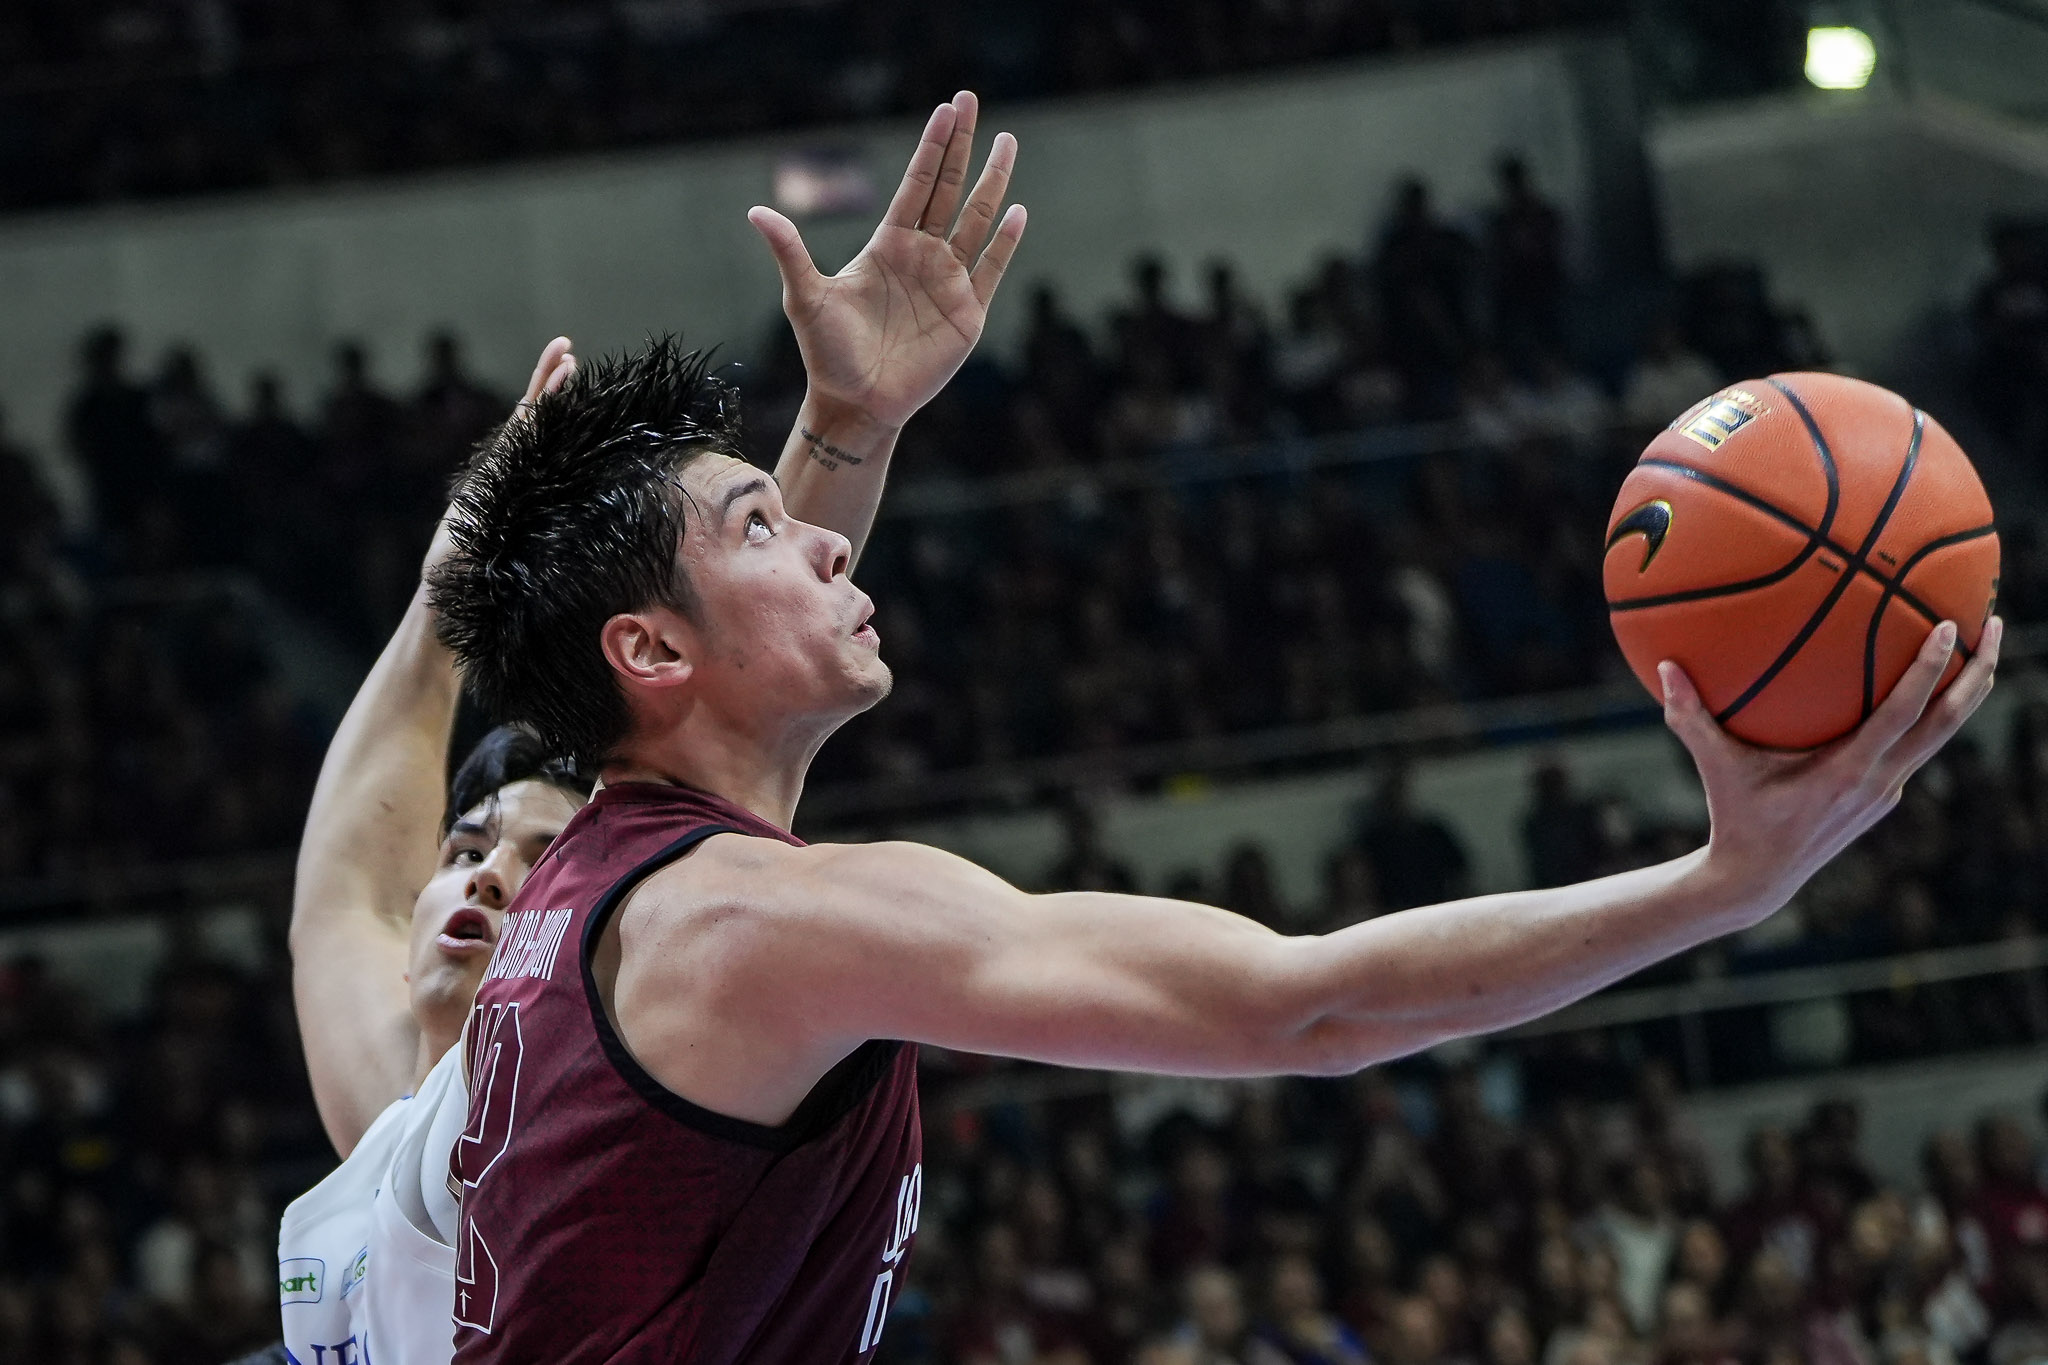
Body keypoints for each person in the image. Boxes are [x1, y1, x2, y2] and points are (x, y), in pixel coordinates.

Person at [426, 145, 2001, 1365]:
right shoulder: (750, 926)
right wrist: (1722, 886)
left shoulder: (595, 872)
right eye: (763, 524)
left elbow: (718, 676)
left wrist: (848, 426)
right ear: (645, 650)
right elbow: (1298, 1006)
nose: (825, 551)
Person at [280, 89, 1027, 1365]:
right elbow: (343, 889)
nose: (484, 875)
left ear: (571, 957)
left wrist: (842, 433)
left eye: (533, 863)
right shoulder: (407, 1128)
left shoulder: (635, 1030)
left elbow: (718, 669)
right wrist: (443, 594)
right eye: (466, 844)